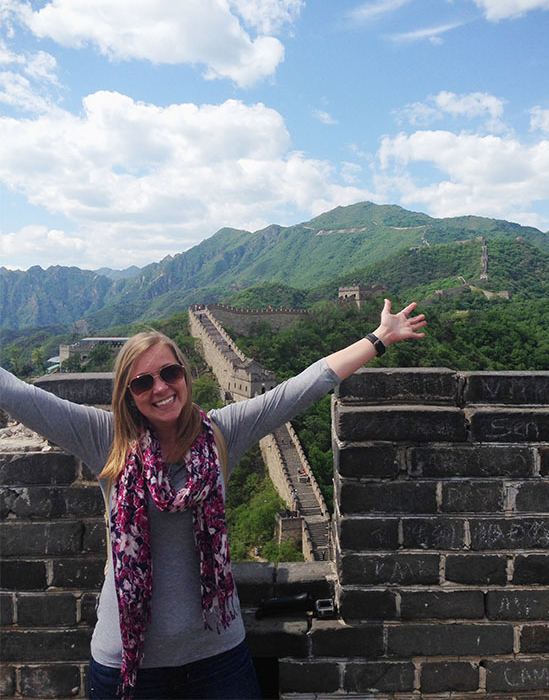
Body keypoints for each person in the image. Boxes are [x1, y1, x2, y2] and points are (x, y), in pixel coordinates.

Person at [0, 299, 425, 699]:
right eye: (143, 382)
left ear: (186, 374)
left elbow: (302, 387)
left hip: (218, 659)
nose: (161, 388)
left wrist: (379, 339)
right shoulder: (107, 439)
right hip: (126, 665)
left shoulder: (221, 433)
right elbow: (22, 397)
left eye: (170, 374)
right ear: (128, 394)